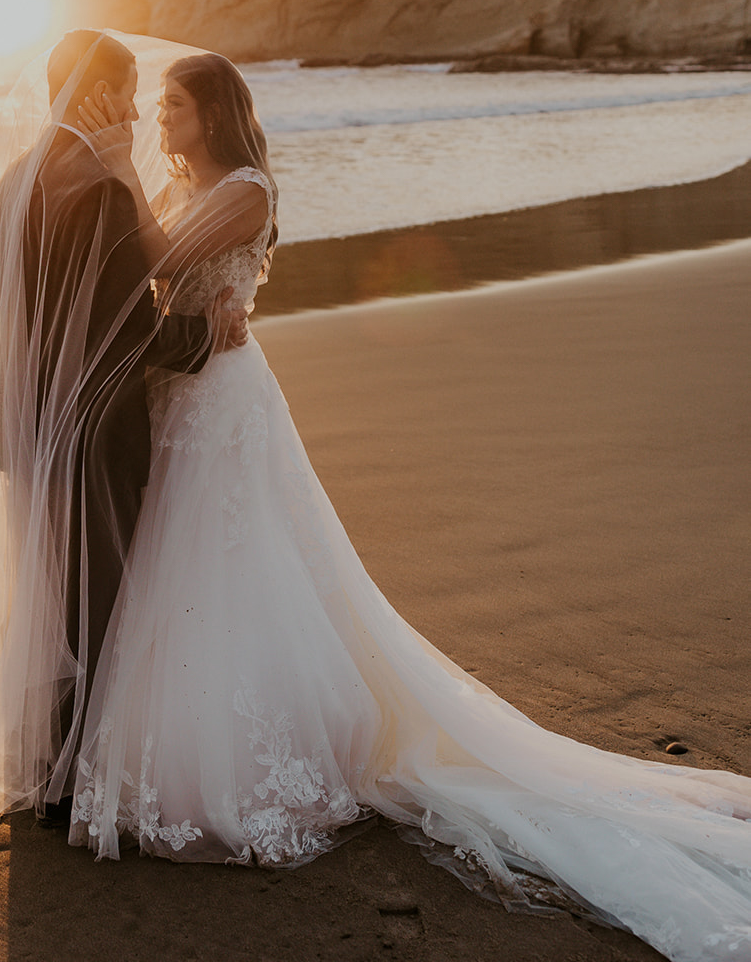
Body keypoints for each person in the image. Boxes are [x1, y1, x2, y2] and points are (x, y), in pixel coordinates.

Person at [51, 48, 751, 962]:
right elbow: (148, 283)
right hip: (181, 390)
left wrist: (113, 170)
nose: (158, 120)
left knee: (229, 561)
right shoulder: (189, 187)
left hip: (219, 400)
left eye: (173, 106)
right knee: (188, 566)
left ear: (213, 113)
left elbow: (158, 257)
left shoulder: (245, 190)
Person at [0, 32, 247, 818]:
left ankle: (46, 758)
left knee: (50, 594)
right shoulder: (102, 189)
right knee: (96, 601)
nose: (136, 114)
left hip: (29, 418)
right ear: (98, 93)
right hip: (92, 425)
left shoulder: (15, 177)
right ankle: (72, 780)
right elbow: (124, 331)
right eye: (129, 94)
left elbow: (30, 312)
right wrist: (204, 337)